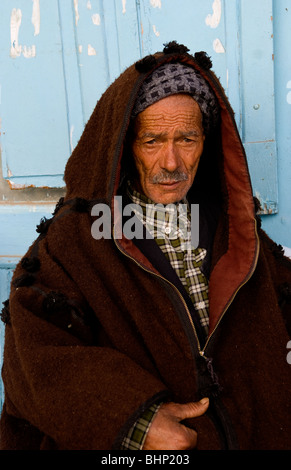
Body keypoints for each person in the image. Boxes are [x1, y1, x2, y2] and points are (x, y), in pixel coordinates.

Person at [0, 41, 291, 451]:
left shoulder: (235, 232)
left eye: (186, 139)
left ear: (205, 144)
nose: (171, 163)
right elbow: (33, 361)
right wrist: (135, 419)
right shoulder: (75, 242)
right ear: (123, 148)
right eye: (152, 141)